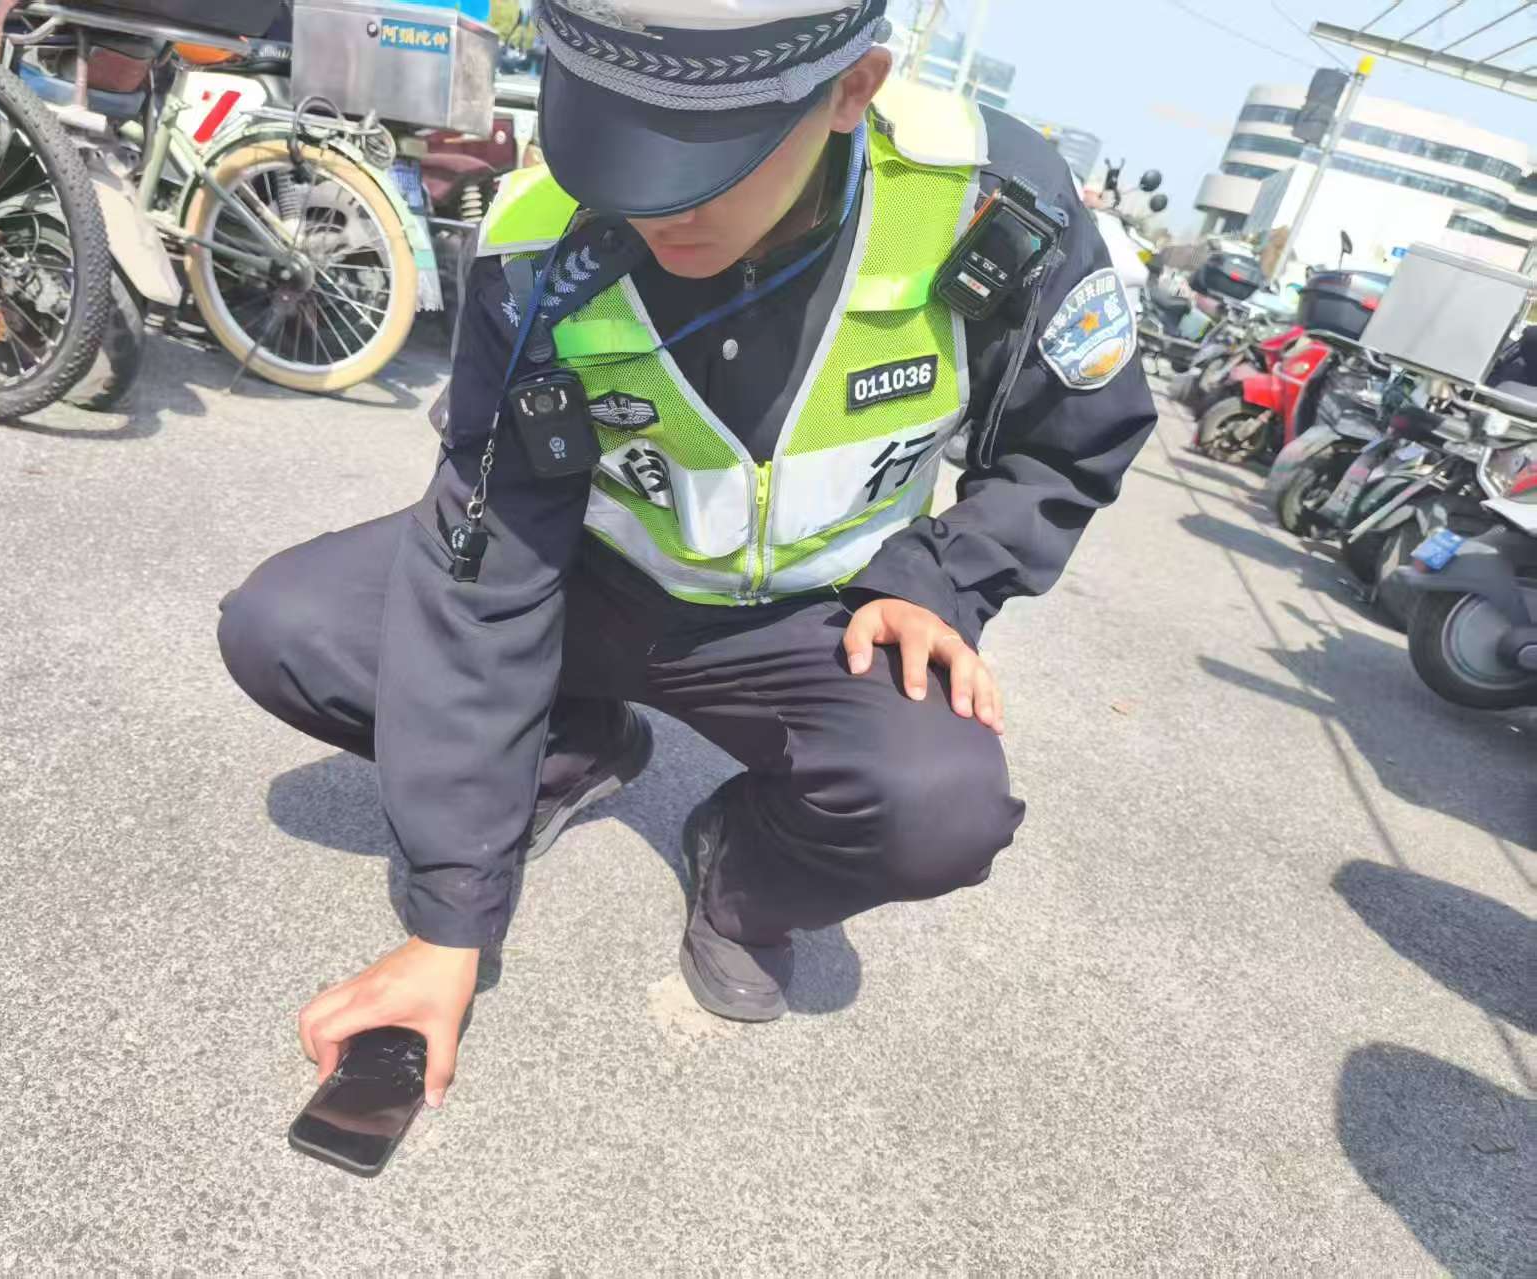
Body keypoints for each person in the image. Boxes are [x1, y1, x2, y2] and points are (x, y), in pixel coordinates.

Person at [219, 0, 1157, 1109]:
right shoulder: (534, 246)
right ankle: (566, 749)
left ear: (851, 89)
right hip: (589, 581)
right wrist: (448, 920)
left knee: (936, 807)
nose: (654, 201)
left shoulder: (984, 201)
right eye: (615, 143)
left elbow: (1068, 441)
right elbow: (488, 560)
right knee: (289, 630)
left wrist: (941, 580)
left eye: (712, 160)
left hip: (818, 618)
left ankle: (745, 865)